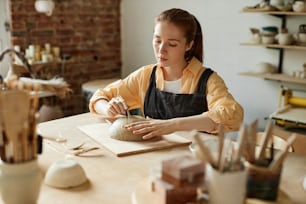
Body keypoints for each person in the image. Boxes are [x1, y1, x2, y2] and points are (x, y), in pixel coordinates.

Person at [89, 8, 243, 140]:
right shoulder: (145, 75)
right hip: (153, 156)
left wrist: (172, 125)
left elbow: (232, 115)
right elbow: (99, 97)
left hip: (193, 162)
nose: (161, 49)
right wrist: (109, 109)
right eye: (157, 41)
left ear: (189, 45)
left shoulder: (208, 80)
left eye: (172, 44)